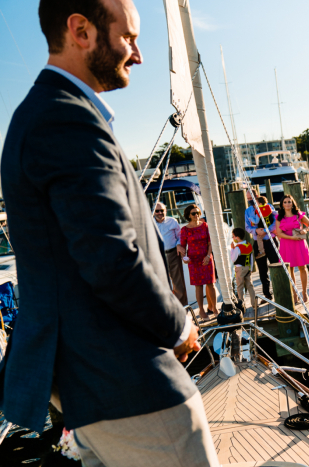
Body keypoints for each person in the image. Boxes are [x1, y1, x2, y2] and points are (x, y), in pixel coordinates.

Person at [0, 0, 218, 465]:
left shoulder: (46, 114)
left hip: (88, 385)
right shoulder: (65, 118)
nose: (138, 55)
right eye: (129, 38)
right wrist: (179, 326)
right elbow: (111, 259)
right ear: (80, 30)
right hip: (124, 378)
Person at [181, 204, 218, 321]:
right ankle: (201, 310)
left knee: (210, 284)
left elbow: (210, 243)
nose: (196, 215)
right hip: (194, 260)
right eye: (193, 213)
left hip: (206, 258)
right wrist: (184, 258)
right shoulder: (184, 230)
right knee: (198, 286)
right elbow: (182, 247)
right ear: (188, 215)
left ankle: (215, 309)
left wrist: (208, 256)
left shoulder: (205, 226)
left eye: (197, 212)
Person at [275, 195, 309, 303]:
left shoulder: (298, 214)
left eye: (289, 202)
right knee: (290, 270)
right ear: (282, 205)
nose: (287, 204)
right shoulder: (279, 217)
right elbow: (279, 233)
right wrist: (292, 237)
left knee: (303, 268)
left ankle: (305, 292)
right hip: (286, 244)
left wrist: (306, 230)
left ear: (292, 203)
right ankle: (294, 294)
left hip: (299, 243)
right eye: (285, 202)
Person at [245, 188, 280, 302]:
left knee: (276, 266)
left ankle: (279, 293)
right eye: (248, 199)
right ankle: (267, 295)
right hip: (258, 243)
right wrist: (256, 231)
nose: (250, 200)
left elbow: (275, 222)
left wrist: (265, 230)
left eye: (251, 198)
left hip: (270, 241)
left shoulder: (268, 206)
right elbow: (247, 227)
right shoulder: (248, 211)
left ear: (257, 196)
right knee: (262, 270)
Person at [155, 202, 188, 306]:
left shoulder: (172, 221)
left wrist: (179, 244)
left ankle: (183, 309)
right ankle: (167, 307)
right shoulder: (149, 223)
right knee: (161, 282)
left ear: (166, 210)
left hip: (173, 253)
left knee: (178, 282)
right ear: (153, 212)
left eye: (162, 210)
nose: (160, 213)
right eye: (157, 211)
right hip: (157, 255)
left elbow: (180, 236)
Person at [230, 227, 256, 314]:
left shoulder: (237, 248)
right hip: (248, 268)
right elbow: (251, 258)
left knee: (240, 287)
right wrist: (251, 269)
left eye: (233, 236)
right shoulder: (248, 245)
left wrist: (232, 249)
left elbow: (233, 259)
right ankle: (255, 305)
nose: (233, 238)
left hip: (240, 269)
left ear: (237, 237)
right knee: (250, 286)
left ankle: (241, 306)